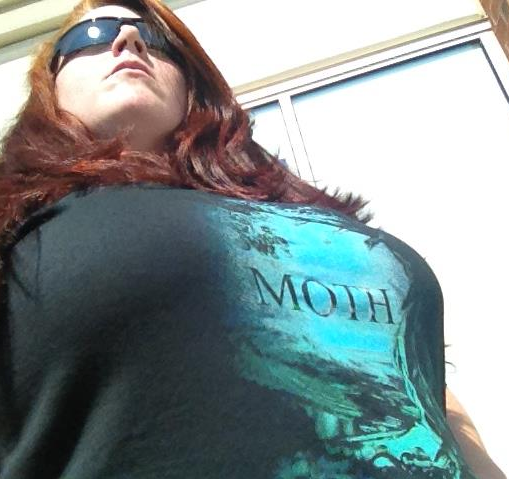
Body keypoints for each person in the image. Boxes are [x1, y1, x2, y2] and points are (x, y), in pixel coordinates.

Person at [0, 0, 505, 478]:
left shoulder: (310, 218)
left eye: (155, 39)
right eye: (92, 34)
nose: (128, 39)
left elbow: (428, 398)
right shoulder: (17, 221)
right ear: (49, 85)